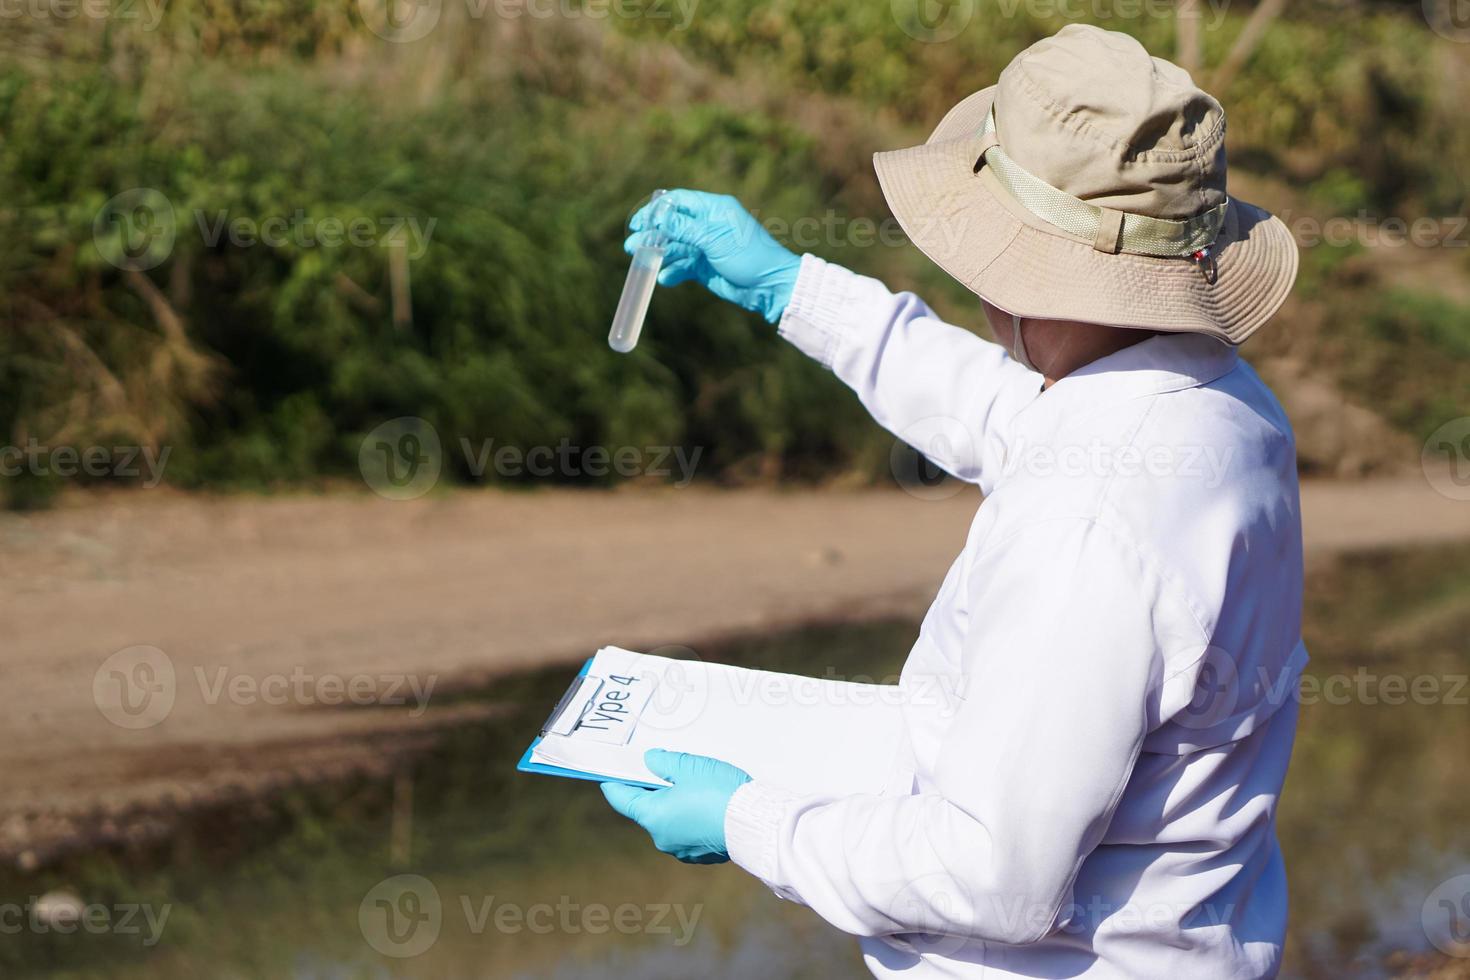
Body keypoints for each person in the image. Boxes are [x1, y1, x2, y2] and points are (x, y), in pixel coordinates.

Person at [601, 24, 1306, 979]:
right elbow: (1009, 414)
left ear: (1020, 265)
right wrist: (788, 288)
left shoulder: (1084, 525)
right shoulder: (1218, 407)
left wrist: (749, 821)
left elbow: (991, 877)